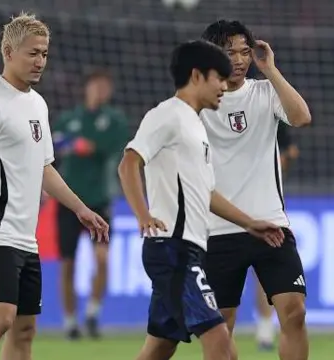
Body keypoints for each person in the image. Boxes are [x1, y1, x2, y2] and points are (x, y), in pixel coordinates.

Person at [0, 13, 109, 360]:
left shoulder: (38, 104)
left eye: (44, 54)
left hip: (24, 237)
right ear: (8, 51)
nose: (40, 61)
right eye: (32, 53)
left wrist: (80, 209)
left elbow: (45, 168)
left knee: (25, 329)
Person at [117, 39, 285, 360]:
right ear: (196, 76)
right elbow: (128, 163)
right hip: (172, 247)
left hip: (187, 248)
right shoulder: (166, 115)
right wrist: (142, 215)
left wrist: (251, 224)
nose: (224, 86)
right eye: (218, 78)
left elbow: (206, 194)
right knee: (220, 341)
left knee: (160, 346)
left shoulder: (195, 125)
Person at [200, 20, 312, 360]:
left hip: (271, 225)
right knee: (222, 325)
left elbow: (302, 117)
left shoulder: (265, 92)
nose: (239, 59)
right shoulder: (198, 103)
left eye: (245, 52)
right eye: (229, 52)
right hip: (218, 229)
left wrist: (271, 70)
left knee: (294, 312)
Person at [52, 68, 129, 340]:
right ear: (86, 88)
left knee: (102, 258)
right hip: (69, 201)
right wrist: (76, 144)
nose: (100, 91)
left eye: (105, 86)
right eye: (96, 85)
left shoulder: (115, 121)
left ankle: (93, 313)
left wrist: (80, 145)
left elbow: (108, 147)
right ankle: (70, 321)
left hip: (99, 200)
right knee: (68, 263)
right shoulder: (69, 118)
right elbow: (54, 143)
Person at [253, 121, 301, 350]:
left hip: (264, 203)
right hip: (223, 204)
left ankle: (265, 329)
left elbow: (288, 152)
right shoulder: (213, 107)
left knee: (265, 264)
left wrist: (263, 171)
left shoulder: (268, 109)